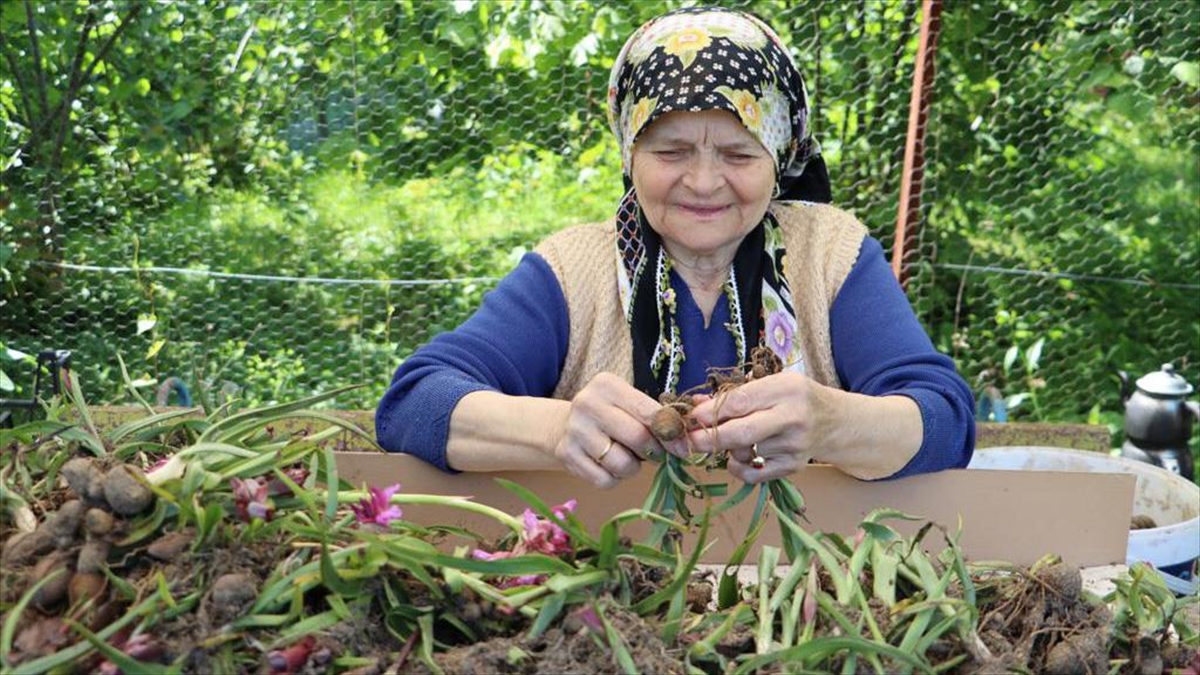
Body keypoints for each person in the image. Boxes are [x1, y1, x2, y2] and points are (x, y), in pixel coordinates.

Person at [376, 7, 975, 488]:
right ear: (629, 153)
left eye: (739, 154)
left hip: (806, 580)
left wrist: (832, 423)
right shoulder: (572, 270)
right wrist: (558, 429)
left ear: (781, 157)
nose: (704, 182)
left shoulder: (830, 255)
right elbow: (413, 404)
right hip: (608, 577)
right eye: (670, 152)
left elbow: (945, 420)